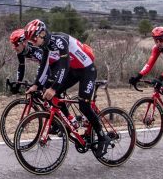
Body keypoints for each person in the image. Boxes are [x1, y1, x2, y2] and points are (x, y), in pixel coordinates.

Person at [24, 19, 109, 156]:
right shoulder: (46, 46)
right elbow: (44, 66)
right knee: (53, 94)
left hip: (87, 70)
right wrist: (36, 85)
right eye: (30, 41)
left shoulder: (60, 41)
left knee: (84, 106)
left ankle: (102, 137)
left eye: (33, 39)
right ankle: (68, 124)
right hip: (74, 70)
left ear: (42, 33)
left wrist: (54, 88)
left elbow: (64, 65)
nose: (33, 43)